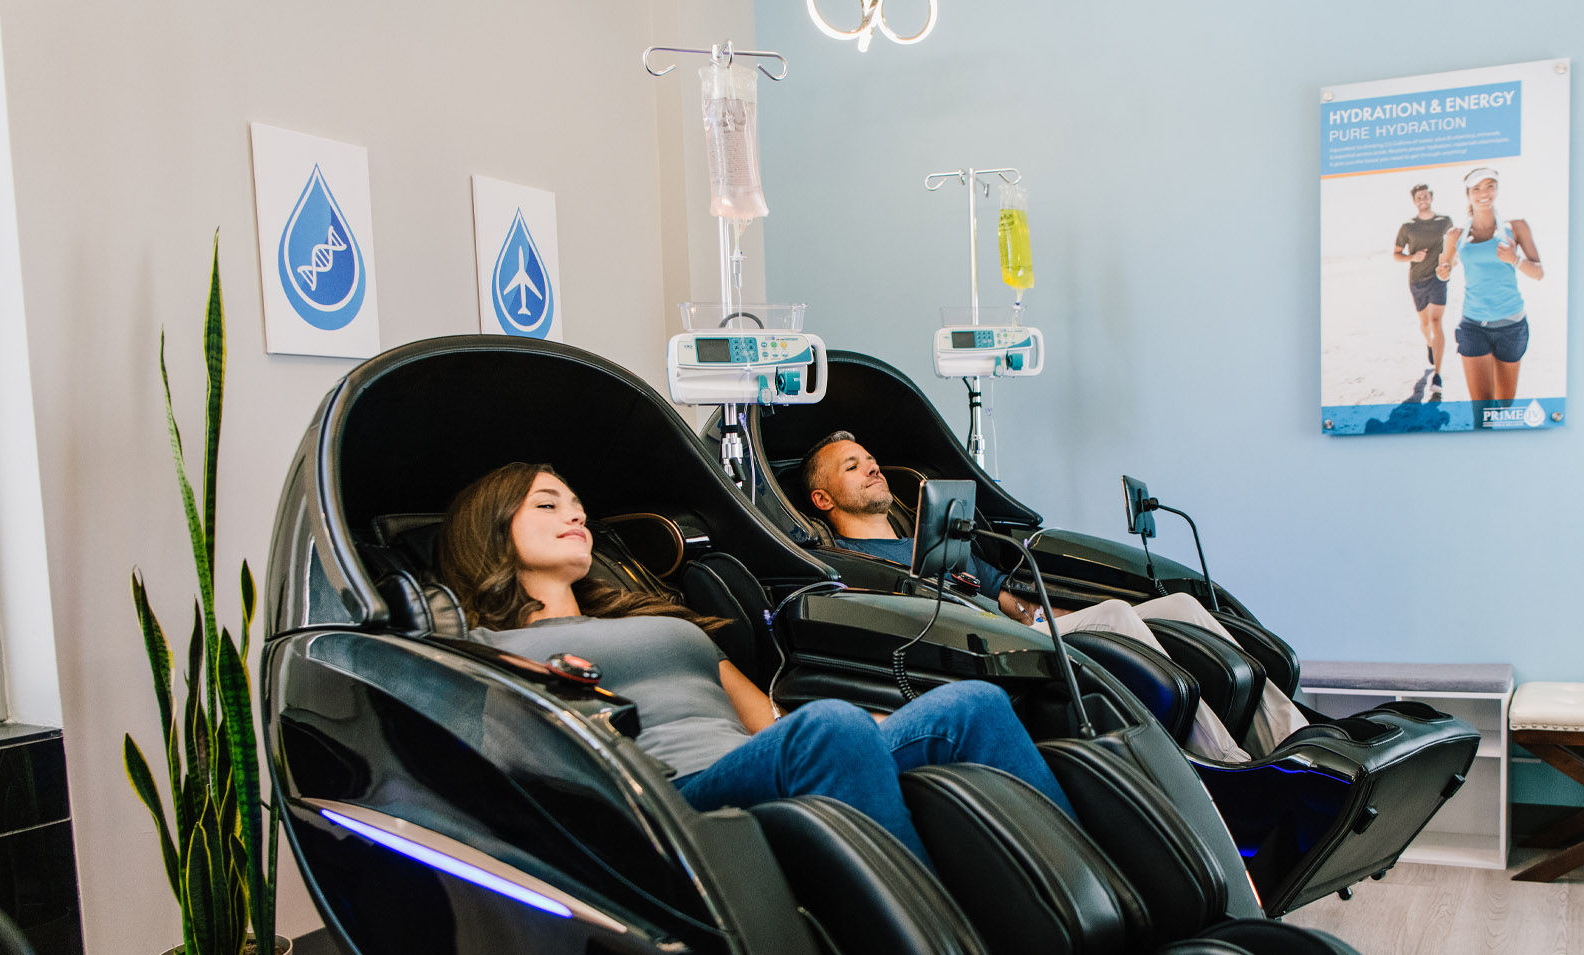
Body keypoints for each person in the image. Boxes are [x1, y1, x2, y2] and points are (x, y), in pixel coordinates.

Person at [436, 461, 1078, 868]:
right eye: (547, 504)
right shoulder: (496, 652)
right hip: (674, 801)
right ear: (492, 530)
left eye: (575, 502)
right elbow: (517, 781)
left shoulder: (652, 621)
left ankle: (1087, 907)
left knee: (972, 705)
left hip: (764, 761)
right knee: (833, 726)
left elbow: (767, 721)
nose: (575, 513)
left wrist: (875, 728)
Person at [799, 432, 1308, 764]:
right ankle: (1229, 765)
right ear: (823, 499)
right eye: (852, 466)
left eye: (870, 458)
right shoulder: (847, 560)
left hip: (1021, 630)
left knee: (1180, 607)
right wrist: (1094, 621)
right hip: (980, 655)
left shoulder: (934, 534)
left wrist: (1058, 616)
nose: (871, 468)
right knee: (1114, 616)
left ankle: (1296, 745)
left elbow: (1003, 595)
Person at [1435, 167, 1544, 407]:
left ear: (1496, 190)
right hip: (1473, 326)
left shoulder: (1515, 227)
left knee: (1504, 408)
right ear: (1468, 195)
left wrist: (1515, 260)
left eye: (1489, 186)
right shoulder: (1456, 235)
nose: (1484, 193)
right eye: (1477, 188)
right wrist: (1443, 272)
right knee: (1481, 411)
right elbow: (1447, 267)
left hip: (1511, 326)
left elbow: (1538, 273)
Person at [1393, 183, 1453, 403]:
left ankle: (1437, 376)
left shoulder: (1444, 222)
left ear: (1431, 197)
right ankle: (1429, 344)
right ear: (1414, 200)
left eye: (1426, 196)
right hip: (1417, 281)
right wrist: (1412, 257)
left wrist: (1448, 266)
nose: (1423, 199)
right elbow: (1396, 254)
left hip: (1438, 278)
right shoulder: (1407, 227)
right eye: (1419, 197)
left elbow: (1452, 248)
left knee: (1436, 322)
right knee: (1425, 325)